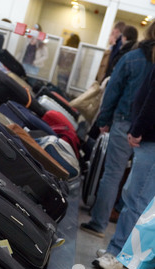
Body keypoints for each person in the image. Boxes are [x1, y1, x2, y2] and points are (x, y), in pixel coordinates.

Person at [80, 20, 155, 239]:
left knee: (113, 174)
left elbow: (111, 92)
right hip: (150, 132)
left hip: (124, 123)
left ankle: (99, 223)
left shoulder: (131, 58)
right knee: (139, 185)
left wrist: (104, 120)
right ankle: (125, 231)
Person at [93, 61, 155, 269]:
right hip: (149, 138)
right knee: (135, 197)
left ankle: (120, 254)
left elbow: (152, 99)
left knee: (136, 199)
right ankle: (120, 249)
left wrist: (137, 128)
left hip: (150, 139)